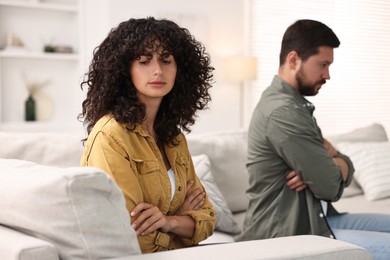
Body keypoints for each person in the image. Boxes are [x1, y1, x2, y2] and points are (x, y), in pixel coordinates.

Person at [236, 19, 390, 259]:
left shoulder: (295, 104)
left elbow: (334, 168)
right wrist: (328, 164)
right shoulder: (282, 112)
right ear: (293, 60)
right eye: (323, 65)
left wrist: (332, 162)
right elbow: (329, 186)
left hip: (321, 218)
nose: (327, 75)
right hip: (289, 234)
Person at [79, 17, 216, 254]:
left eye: (166, 60)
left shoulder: (174, 138)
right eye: (144, 61)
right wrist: (182, 221)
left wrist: (168, 221)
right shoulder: (111, 136)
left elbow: (209, 218)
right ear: (124, 70)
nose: (157, 71)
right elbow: (131, 233)